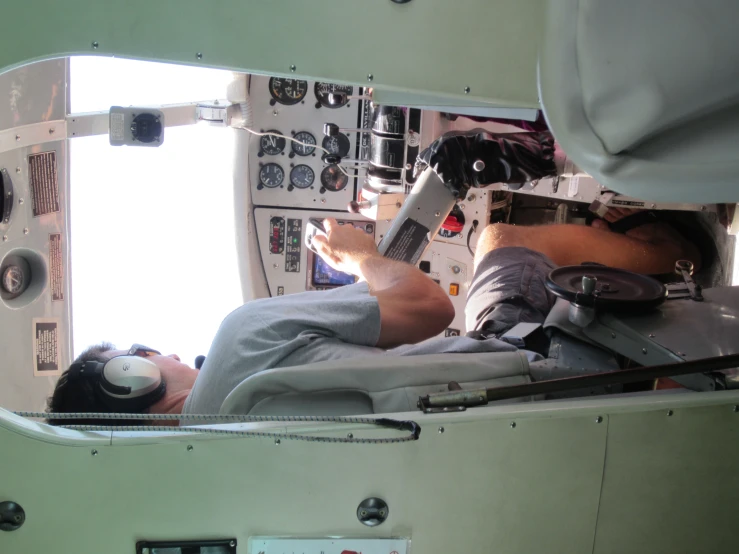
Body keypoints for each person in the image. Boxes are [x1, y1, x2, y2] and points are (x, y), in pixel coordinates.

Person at [47, 214, 700, 424]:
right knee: (498, 238)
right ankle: (689, 252)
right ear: (130, 379)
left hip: (519, 442)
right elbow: (427, 308)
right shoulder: (239, 340)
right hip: (543, 377)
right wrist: (359, 257)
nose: (163, 351)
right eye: (142, 351)